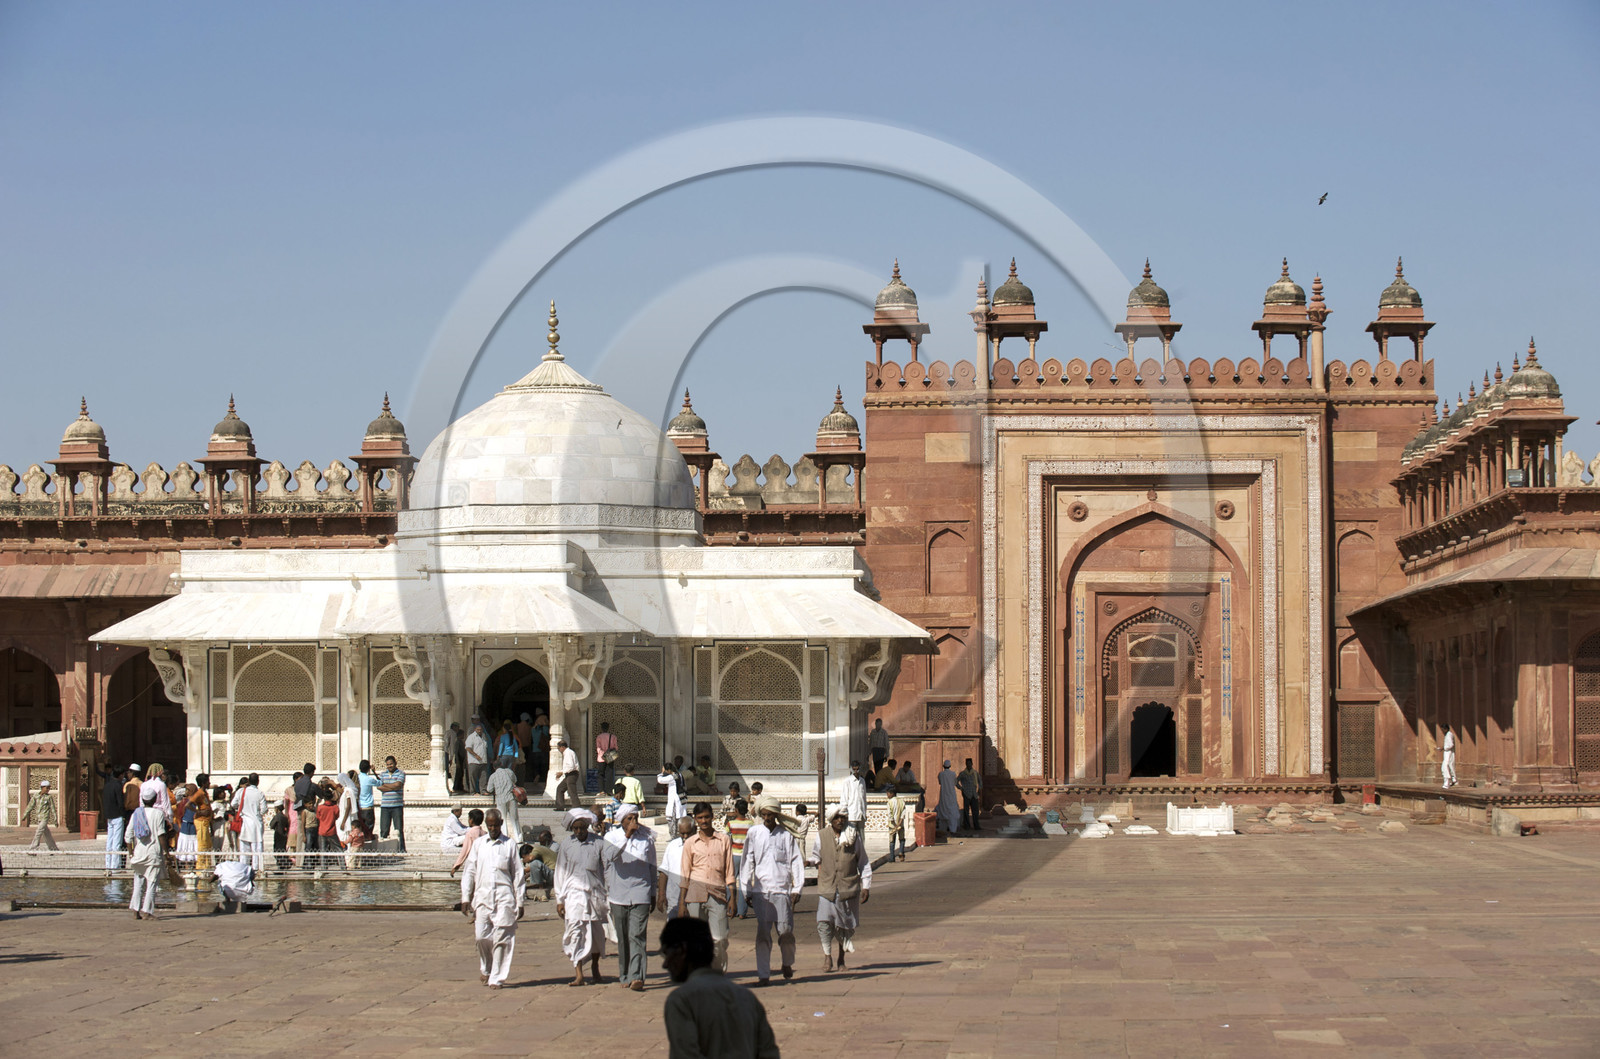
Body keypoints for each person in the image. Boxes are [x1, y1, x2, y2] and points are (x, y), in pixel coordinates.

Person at [660, 917, 780, 1059]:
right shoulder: (746, 997)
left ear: (682, 950)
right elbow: (769, 1052)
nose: (665, 964)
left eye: (666, 954)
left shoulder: (682, 1000)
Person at [740, 796, 805, 985]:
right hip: (761, 891)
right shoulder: (754, 833)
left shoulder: (785, 835)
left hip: (782, 891)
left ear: (776, 815)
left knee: (785, 932)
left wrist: (797, 887)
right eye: (764, 814)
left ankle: (787, 962)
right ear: (761, 814)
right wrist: (746, 889)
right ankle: (764, 974)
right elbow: (747, 861)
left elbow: (795, 861)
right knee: (762, 934)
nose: (767, 817)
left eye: (770, 814)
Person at [460, 807, 524, 989]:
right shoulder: (479, 844)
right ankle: (486, 966)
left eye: (495, 826)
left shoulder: (509, 845)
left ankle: (497, 977)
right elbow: (469, 871)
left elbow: (518, 874)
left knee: (502, 939)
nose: (493, 829)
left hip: (504, 898)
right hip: (482, 897)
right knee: (481, 937)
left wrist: (520, 901)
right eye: (490, 826)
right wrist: (465, 897)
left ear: (501, 824)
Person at [808, 805, 872, 972]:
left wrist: (866, 885)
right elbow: (816, 855)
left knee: (843, 925)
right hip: (827, 886)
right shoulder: (822, 835)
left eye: (842, 817)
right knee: (824, 922)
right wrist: (809, 862)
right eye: (836, 818)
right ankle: (827, 956)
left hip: (847, 887)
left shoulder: (853, 836)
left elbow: (863, 862)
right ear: (831, 819)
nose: (840, 821)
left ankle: (841, 958)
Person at [601, 802, 657, 991]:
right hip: (619, 893)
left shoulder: (646, 839)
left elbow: (652, 866)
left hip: (641, 891)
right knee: (623, 936)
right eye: (629, 818)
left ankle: (637, 976)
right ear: (622, 820)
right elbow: (610, 857)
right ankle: (624, 973)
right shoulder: (611, 836)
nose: (634, 821)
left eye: (635, 818)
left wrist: (654, 892)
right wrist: (627, 835)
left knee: (637, 935)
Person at [677, 801, 736, 972]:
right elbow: (685, 875)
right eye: (700, 818)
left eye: (707, 817)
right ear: (695, 819)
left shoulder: (723, 840)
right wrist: (682, 903)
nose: (704, 821)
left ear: (713, 817)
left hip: (717, 894)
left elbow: (729, 871)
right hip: (695, 895)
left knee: (719, 939)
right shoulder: (690, 843)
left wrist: (733, 897)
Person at [554, 807, 609, 986]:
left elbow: (606, 869)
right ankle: (578, 973)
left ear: (587, 827)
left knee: (596, 934)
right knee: (575, 931)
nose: (579, 832)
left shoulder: (599, 843)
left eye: (582, 828)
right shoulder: (566, 845)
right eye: (575, 828)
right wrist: (559, 900)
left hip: (595, 894)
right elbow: (560, 872)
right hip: (573, 894)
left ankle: (595, 966)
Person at [126, 790, 168, 920]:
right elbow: (161, 834)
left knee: (138, 883)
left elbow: (128, 836)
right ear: (155, 799)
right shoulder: (158, 814)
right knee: (151, 883)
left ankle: (135, 910)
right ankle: (147, 912)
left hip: (138, 853)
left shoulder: (136, 813)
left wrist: (131, 853)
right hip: (153, 853)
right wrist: (166, 852)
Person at [657, 816, 693, 919]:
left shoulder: (699, 846)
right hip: (673, 898)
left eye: (688, 833)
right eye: (682, 833)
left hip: (693, 899)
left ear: (694, 830)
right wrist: (661, 894)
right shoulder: (672, 846)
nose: (685, 836)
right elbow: (664, 871)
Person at [727, 798, 753, 919]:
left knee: (730, 881)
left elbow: (727, 839)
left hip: (734, 855)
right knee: (744, 883)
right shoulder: (751, 824)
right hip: (746, 856)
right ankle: (742, 912)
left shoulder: (731, 824)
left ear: (736, 810)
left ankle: (728, 907)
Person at [375, 755, 407, 852]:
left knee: (398, 829)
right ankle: (383, 850)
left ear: (395, 763)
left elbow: (398, 785)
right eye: (388, 764)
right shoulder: (383, 774)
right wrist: (392, 787)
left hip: (397, 806)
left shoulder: (401, 773)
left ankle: (401, 849)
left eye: (391, 764)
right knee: (384, 830)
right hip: (385, 806)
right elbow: (379, 787)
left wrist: (386, 786)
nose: (389, 766)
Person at [236, 774, 266, 873]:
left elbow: (233, 804)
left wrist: (243, 811)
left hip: (245, 821)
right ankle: (256, 869)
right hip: (256, 823)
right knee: (256, 847)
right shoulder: (259, 793)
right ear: (258, 781)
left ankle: (243, 868)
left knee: (244, 847)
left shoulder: (241, 792)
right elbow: (264, 809)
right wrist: (257, 814)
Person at [485, 756, 523, 836]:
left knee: (503, 819)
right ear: (501, 764)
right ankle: (518, 838)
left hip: (501, 799)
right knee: (514, 819)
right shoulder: (509, 772)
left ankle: (504, 836)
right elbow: (515, 780)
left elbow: (489, 789)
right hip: (511, 797)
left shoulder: (493, 776)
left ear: (494, 767)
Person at [100, 764, 128, 871]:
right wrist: (123, 815)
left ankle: (108, 865)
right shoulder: (118, 785)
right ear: (120, 775)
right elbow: (120, 802)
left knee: (109, 841)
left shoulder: (107, 784)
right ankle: (115, 867)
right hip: (117, 816)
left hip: (109, 816)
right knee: (117, 842)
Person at [520, 826, 557, 899]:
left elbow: (531, 860)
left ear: (529, 852)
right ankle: (539, 885)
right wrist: (524, 877)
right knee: (535, 865)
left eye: (524, 857)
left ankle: (539, 887)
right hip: (554, 875)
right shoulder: (540, 852)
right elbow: (533, 870)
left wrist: (522, 869)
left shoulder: (536, 850)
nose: (525, 860)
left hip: (555, 874)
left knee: (534, 863)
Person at [292, 761, 319, 859]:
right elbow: (320, 794)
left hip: (299, 811)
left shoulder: (298, 783)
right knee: (308, 838)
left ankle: (299, 859)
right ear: (312, 772)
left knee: (300, 834)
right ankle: (307, 860)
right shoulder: (311, 785)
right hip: (308, 813)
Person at [24, 779, 59, 851]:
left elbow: (52, 809)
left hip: (44, 818)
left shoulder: (49, 797)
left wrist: (55, 819)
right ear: (42, 787)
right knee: (47, 834)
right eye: (47, 788)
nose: (48, 790)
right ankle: (53, 848)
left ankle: (33, 849)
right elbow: (30, 806)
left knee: (38, 832)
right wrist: (25, 815)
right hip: (39, 817)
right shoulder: (36, 796)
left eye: (49, 788)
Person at [451, 808, 486, 875]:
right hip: (483, 864)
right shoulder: (485, 834)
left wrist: (456, 866)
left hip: (472, 864)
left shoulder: (470, 834)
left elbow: (464, 851)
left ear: (471, 820)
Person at [553, 737, 583, 809]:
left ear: (562, 747)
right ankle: (560, 806)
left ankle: (576, 807)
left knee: (572, 791)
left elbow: (571, 766)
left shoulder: (568, 753)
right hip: (569, 774)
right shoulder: (567, 753)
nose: (559, 750)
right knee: (560, 788)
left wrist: (562, 772)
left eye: (559, 748)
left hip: (572, 774)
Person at [840, 760, 868, 836]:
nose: (856, 771)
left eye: (857, 769)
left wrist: (865, 812)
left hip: (861, 813)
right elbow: (844, 798)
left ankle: (861, 848)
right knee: (851, 836)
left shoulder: (862, 781)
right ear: (851, 769)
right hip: (851, 813)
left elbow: (864, 798)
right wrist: (844, 813)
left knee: (861, 837)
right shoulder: (847, 781)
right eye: (854, 769)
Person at [886, 783, 911, 861]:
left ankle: (892, 857)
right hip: (900, 824)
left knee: (892, 840)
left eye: (888, 793)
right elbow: (903, 813)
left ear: (892, 793)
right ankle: (901, 852)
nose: (887, 795)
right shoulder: (901, 801)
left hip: (892, 825)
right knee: (902, 839)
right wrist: (900, 822)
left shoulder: (889, 802)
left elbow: (890, 814)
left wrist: (894, 824)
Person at [936, 759, 961, 834]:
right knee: (952, 811)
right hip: (951, 794)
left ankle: (943, 829)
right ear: (950, 766)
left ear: (943, 766)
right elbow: (955, 782)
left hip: (943, 794)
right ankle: (953, 829)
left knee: (943, 809)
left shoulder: (940, 774)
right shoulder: (953, 774)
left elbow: (940, 782)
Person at [957, 757, 982, 831]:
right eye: (967, 764)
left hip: (974, 794)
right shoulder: (963, 774)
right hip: (966, 793)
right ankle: (967, 825)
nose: (969, 765)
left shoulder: (975, 773)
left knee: (975, 811)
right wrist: (961, 788)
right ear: (966, 764)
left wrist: (980, 789)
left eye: (970, 763)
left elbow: (980, 781)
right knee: (966, 811)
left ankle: (976, 825)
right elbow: (956, 781)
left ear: (972, 764)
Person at [465, 721, 490, 795]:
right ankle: (473, 792)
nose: (479, 731)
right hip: (474, 761)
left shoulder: (483, 736)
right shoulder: (471, 737)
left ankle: (483, 790)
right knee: (473, 777)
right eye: (478, 730)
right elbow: (468, 748)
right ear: (475, 730)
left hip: (483, 761)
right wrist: (475, 755)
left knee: (483, 777)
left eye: (480, 729)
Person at [595, 721, 619, 795]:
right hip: (610, 757)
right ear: (608, 728)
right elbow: (616, 747)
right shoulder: (613, 736)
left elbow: (598, 748)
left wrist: (602, 755)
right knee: (609, 773)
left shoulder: (599, 737)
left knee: (601, 774)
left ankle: (601, 790)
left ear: (602, 728)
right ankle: (609, 790)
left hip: (601, 758)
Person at [316, 788, 340, 858]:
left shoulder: (320, 807)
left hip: (322, 831)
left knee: (323, 851)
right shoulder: (335, 807)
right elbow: (337, 817)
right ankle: (343, 866)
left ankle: (323, 867)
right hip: (332, 831)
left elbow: (318, 817)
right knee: (339, 849)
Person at [529, 713, 551, 787]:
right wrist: (545, 723)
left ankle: (537, 775)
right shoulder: (545, 730)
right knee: (544, 765)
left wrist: (537, 723)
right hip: (543, 750)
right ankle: (543, 779)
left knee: (536, 765)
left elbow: (533, 729)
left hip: (535, 750)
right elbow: (547, 733)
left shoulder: (534, 731)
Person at [269, 803, 291, 869]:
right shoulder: (285, 817)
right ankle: (284, 863)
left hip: (278, 835)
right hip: (284, 835)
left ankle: (280, 864)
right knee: (282, 849)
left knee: (277, 850)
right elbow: (287, 826)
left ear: (277, 809)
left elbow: (271, 825)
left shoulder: (277, 817)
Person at [445, 723, 465, 794]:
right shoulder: (453, 733)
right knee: (447, 771)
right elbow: (452, 747)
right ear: (454, 727)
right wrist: (451, 758)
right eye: (457, 727)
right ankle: (450, 787)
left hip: (445, 753)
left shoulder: (447, 732)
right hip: (446, 753)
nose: (458, 729)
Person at [515, 712, 534, 782]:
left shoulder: (517, 726)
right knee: (526, 763)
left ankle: (518, 778)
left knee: (518, 763)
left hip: (519, 746)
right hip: (527, 746)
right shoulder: (529, 727)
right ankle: (526, 778)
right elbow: (530, 738)